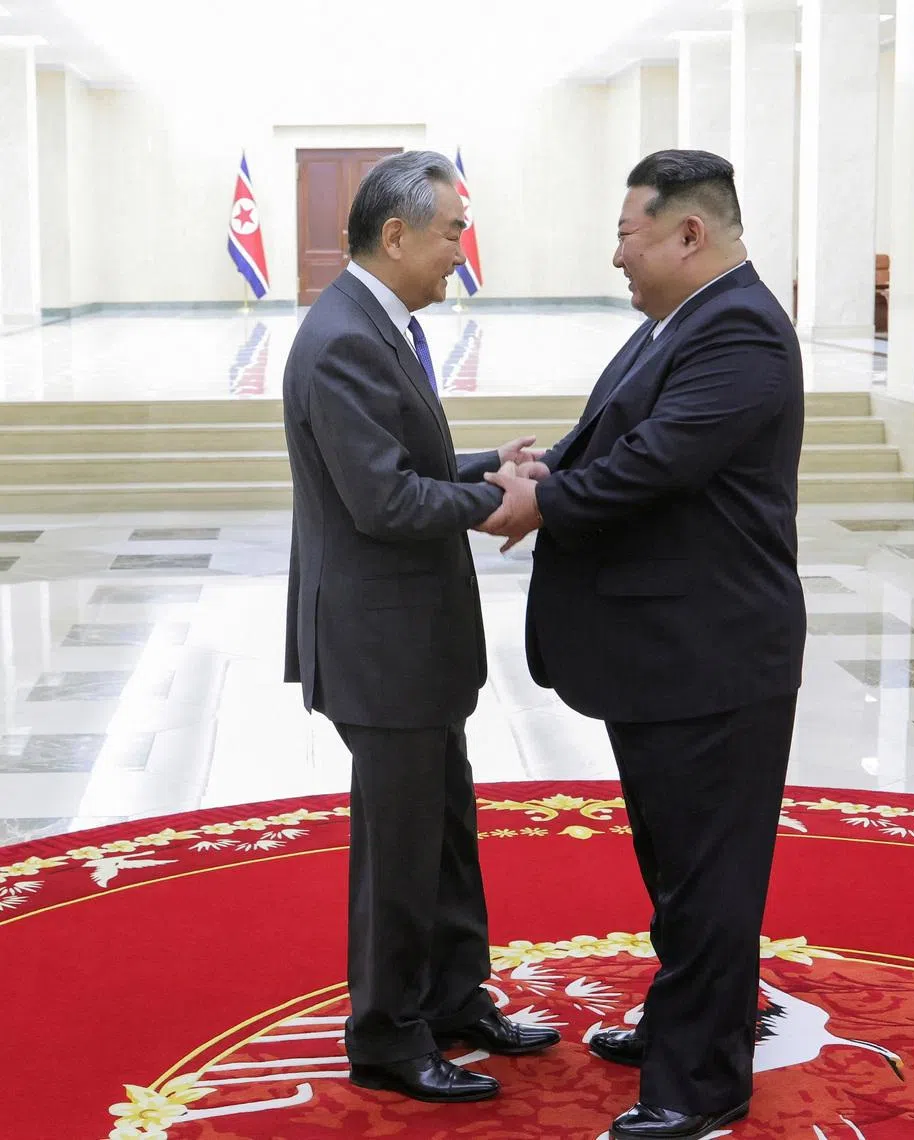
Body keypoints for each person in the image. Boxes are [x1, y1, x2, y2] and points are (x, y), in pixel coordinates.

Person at [482, 149, 806, 1139]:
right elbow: (618, 433)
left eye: (629, 233)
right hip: (666, 650)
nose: (617, 253)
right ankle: (697, 1012)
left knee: (709, 871)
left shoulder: (740, 327)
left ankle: (701, 1083)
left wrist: (540, 504)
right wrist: (545, 462)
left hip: (711, 652)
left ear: (688, 234)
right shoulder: (683, 322)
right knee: (680, 864)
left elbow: (660, 463)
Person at [283, 150, 559, 1106]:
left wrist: (488, 461)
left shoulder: (379, 323)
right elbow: (384, 501)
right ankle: (388, 1036)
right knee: (397, 852)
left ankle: (452, 997)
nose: (459, 250)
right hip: (379, 643)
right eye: (450, 232)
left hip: (411, 641)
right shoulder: (347, 337)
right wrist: (495, 502)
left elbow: (408, 453)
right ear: (395, 236)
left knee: (444, 828)